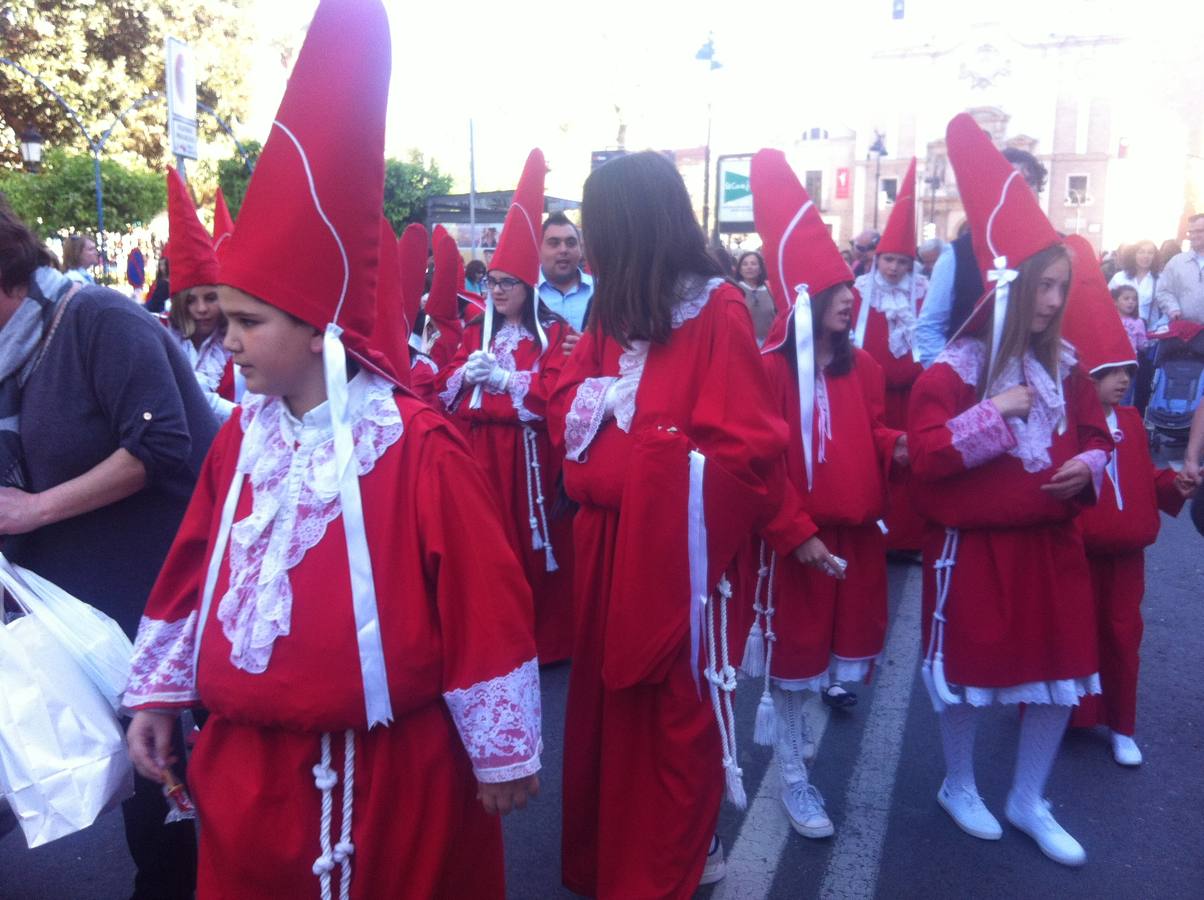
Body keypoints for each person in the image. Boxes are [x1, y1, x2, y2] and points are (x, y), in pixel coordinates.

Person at [123, 3, 541, 898]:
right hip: (246, 782)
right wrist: (159, 692)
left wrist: (504, 747)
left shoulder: (418, 445)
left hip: (389, 785)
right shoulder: (242, 438)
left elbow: (481, 598)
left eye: (247, 321)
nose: (224, 340)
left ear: (321, 332)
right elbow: (194, 567)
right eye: (222, 319)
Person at [549, 150, 789, 897]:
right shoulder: (615, 308)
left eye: (597, 230)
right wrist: (623, 443)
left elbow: (746, 454)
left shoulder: (717, 310)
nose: (587, 248)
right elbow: (570, 412)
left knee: (672, 726)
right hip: (610, 549)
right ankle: (612, 863)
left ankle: (661, 874)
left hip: (680, 557)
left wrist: (637, 454)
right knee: (608, 717)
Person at [909, 114, 1112, 868]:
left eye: (1063, 287)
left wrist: (1090, 465)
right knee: (964, 679)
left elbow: (1101, 436)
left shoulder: (1067, 366)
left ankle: (1029, 795)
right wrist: (994, 415)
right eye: (1044, 286)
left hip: (1051, 546)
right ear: (1011, 285)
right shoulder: (954, 369)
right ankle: (959, 784)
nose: (1055, 301)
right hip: (976, 553)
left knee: (1056, 677)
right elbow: (926, 458)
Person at [0, 207, 215, 899]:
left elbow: (160, 444)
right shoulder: (11, 350)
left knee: (159, 777)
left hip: (152, 593)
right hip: (63, 597)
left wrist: (34, 508)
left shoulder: (96, 318)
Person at [739, 148, 905, 841]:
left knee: (832, 662)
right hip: (796, 546)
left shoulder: (862, 365)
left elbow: (873, 433)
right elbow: (759, 467)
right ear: (804, 295)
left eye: (851, 285)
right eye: (836, 287)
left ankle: (797, 757)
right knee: (796, 662)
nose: (851, 295)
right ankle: (796, 780)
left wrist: (926, 442)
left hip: (854, 541)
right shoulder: (771, 370)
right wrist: (796, 533)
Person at [437, 148, 576, 665]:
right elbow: (442, 388)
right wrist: (462, 375)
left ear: (527, 287)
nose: (494, 291)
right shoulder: (474, 330)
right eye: (491, 283)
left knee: (533, 550)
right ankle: (490, 641)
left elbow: (551, 395)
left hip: (527, 462)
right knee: (482, 550)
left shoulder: (554, 333)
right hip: (478, 457)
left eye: (505, 284)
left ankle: (542, 642)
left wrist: (506, 380)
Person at [1061, 236, 1193, 767]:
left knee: (1122, 636)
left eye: (1126, 374)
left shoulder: (1135, 425)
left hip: (1126, 558)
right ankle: (1072, 715)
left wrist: (1174, 486)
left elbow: (1142, 480)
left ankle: (1120, 723)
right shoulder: (1068, 427)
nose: (1121, 383)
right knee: (1073, 633)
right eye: (1108, 374)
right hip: (1078, 552)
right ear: (1083, 379)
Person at [852, 157, 927, 553]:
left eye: (901, 261)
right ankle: (875, 533)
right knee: (875, 460)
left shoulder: (923, 294)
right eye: (888, 259)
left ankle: (908, 537)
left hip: (913, 395)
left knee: (911, 461)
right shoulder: (860, 292)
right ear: (876, 259)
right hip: (873, 395)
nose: (894, 268)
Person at [914, 146, 1048, 366]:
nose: (1020, 188)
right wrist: (952, 380)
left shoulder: (1051, 252)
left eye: (1028, 181)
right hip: (972, 386)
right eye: (1010, 180)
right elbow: (930, 327)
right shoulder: (956, 255)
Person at [164, 167, 235, 421]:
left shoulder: (236, 343)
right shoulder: (162, 336)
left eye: (211, 298)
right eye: (191, 300)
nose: (202, 309)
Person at [537, 211, 594, 333]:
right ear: (539, 249)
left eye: (571, 243)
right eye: (554, 243)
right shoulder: (526, 293)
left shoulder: (601, 291)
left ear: (580, 249)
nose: (563, 250)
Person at [1153, 214, 1204, 324]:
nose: (1194, 236)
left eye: (1199, 231)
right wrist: (1172, 308)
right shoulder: (1176, 263)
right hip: (1186, 334)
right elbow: (1164, 291)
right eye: (1191, 232)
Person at [1108, 240, 1161, 328]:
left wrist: (1160, 327)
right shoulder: (1119, 277)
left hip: (1149, 333)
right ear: (1133, 255)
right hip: (1121, 330)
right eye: (1141, 252)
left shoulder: (1160, 279)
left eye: (1150, 253)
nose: (1145, 256)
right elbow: (1107, 302)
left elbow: (1166, 308)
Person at [736, 250, 776, 346]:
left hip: (770, 344)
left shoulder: (771, 289)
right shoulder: (734, 290)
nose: (749, 267)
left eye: (753, 264)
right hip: (744, 344)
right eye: (745, 264)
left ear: (760, 269)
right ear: (740, 269)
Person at [1112, 285, 1147, 355]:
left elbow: (1142, 345)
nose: (1131, 302)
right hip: (1112, 359)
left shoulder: (1138, 322)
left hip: (1130, 361)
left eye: (1134, 299)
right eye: (1126, 298)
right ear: (1115, 302)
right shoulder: (1110, 320)